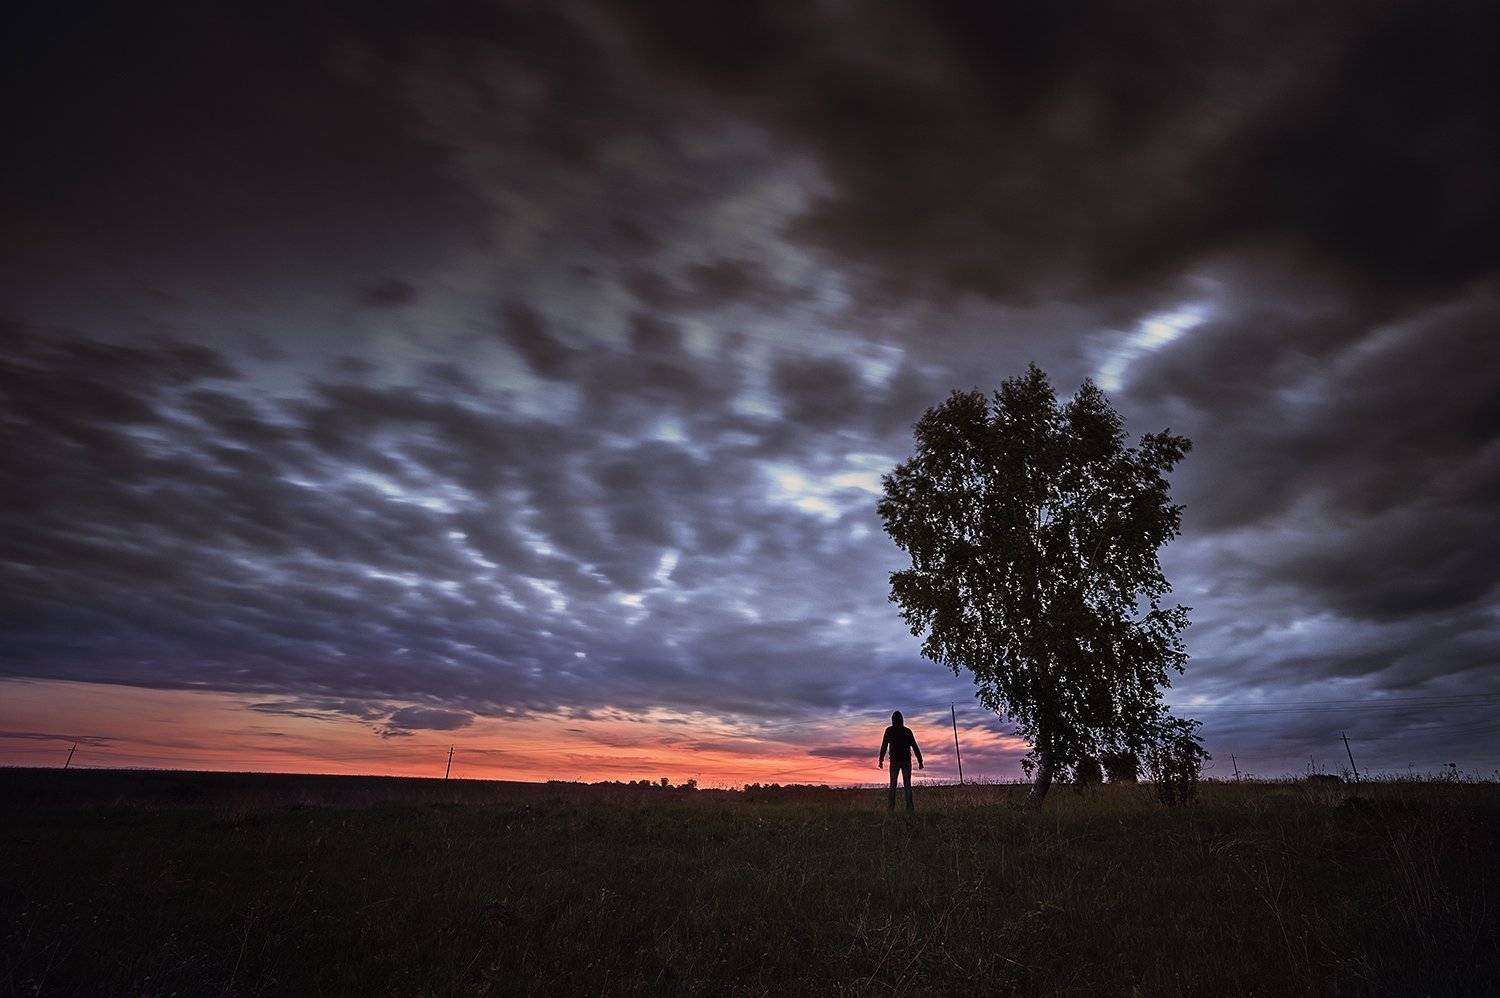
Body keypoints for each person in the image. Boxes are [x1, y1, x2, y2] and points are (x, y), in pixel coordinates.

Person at [878, 710, 923, 812]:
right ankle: (910, 809)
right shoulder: (907, 731)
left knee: (893, 785)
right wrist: (920, 761)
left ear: (892, 720)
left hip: (894, 762)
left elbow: (884, 746)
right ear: (902, 720)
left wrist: (881, 760)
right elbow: (915, 746)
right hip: (906, 761)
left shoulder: (889, 731)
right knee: (907, 785)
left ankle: (890, 809)